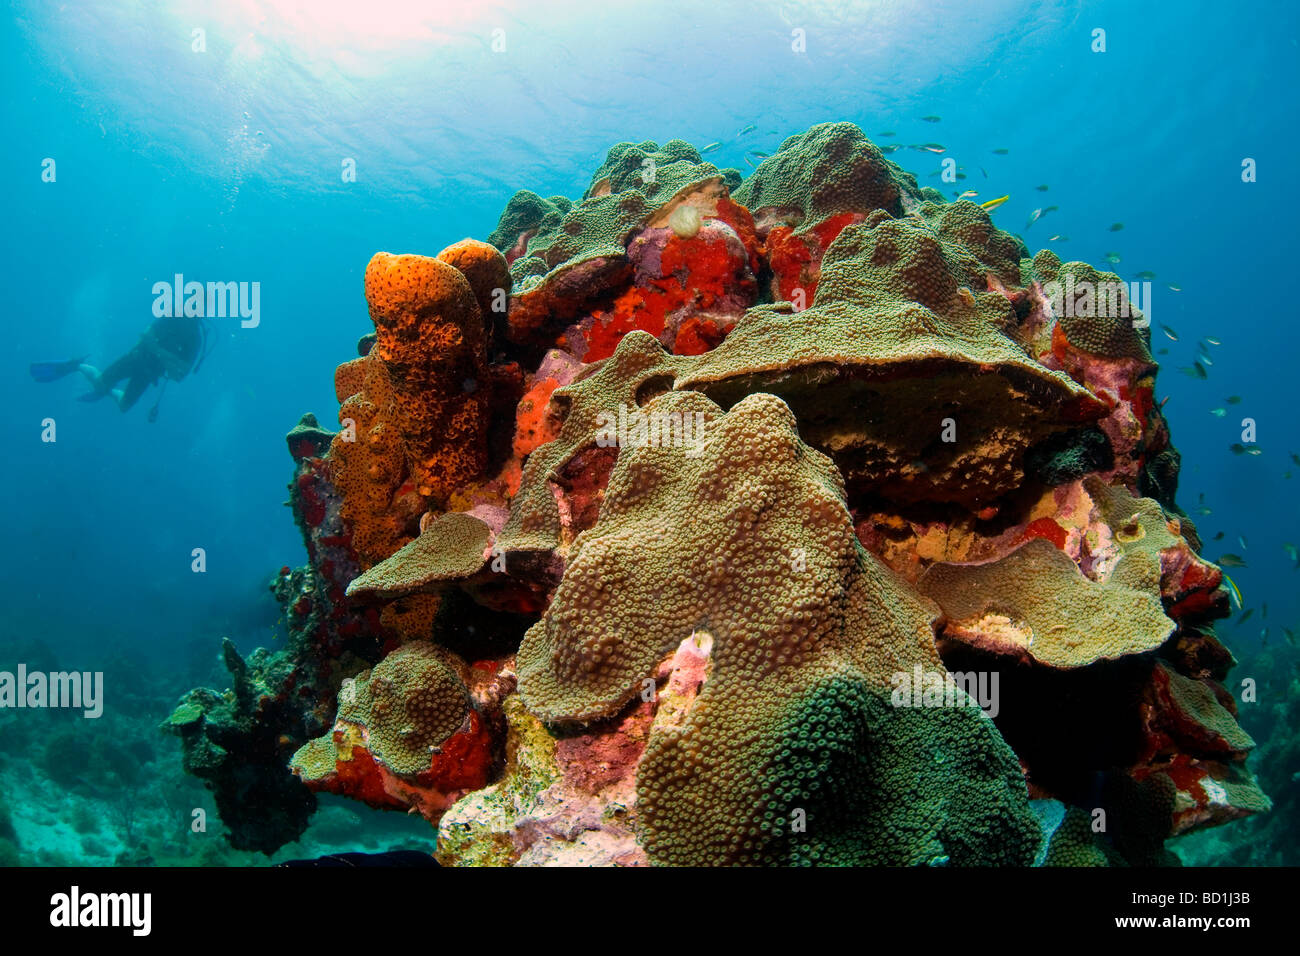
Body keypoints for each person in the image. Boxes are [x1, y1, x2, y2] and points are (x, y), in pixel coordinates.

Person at [31, 315, 208, 417]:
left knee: (124, 406)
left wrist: (158, 351)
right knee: (99, 383)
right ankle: (77, 366)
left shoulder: (195, 339)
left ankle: (105, 388)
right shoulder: (172, 317)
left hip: (149, 373)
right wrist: (169, 360)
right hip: (136, 358)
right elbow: (146, 336)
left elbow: (181, 375)